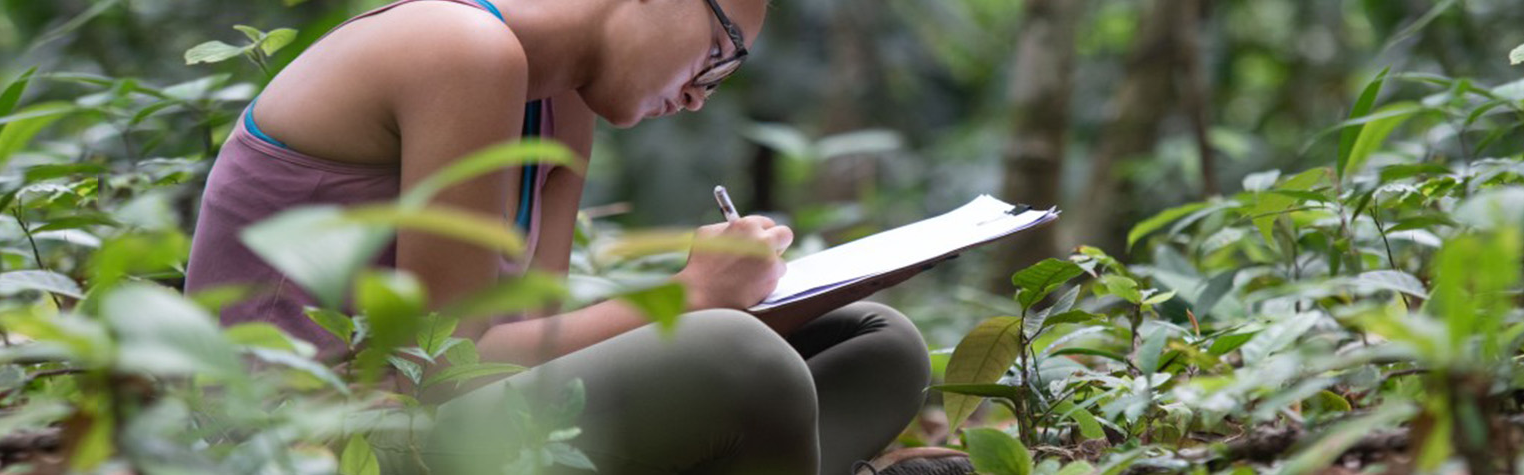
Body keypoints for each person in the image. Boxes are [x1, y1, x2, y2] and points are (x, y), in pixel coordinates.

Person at [183, 0, 972, 472]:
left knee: (879, 342)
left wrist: (748, 299)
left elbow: (532, 336)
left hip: (458, 421)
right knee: (745, 359)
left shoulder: (561, 105)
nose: (700, 95)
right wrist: (688, 299)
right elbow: (440, 367)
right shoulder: (457, 50)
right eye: (719, 53)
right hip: (325, 441)